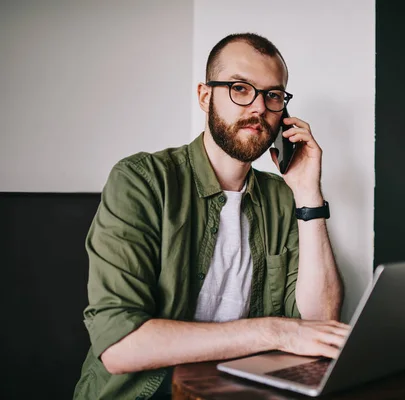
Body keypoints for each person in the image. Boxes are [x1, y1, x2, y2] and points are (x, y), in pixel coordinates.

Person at [73, 33, 349, 399]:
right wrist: (275, 331)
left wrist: (308, 193)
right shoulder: (141, 180)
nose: (258, 108)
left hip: (239, 390)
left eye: (273, 95)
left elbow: (319, 324)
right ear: (205, 96)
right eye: (239, 88)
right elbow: (121, 345)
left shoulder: (283, 198)